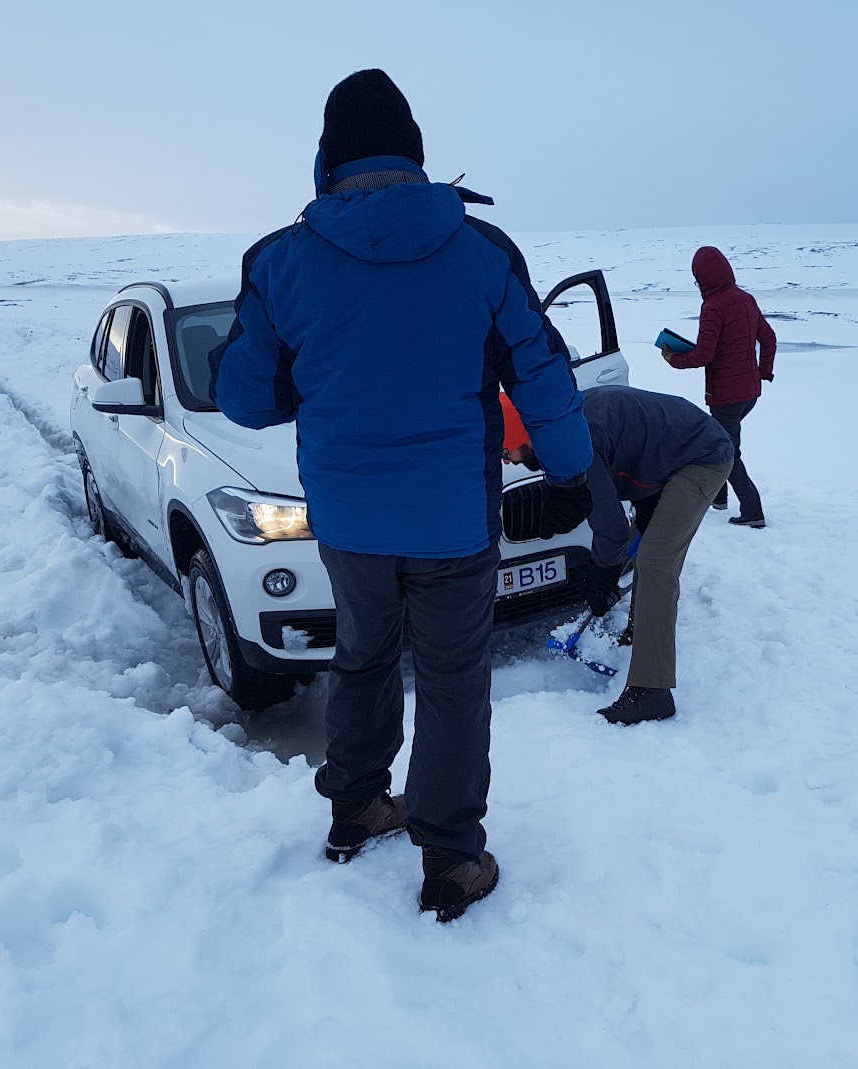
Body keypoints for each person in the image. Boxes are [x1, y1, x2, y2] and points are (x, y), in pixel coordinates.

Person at [211, 69, 594, 922]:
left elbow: (244, 397)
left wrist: (317, 381)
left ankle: (355, 805)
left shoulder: (279, 261)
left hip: (347, 516)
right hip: (453, 519)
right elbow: (540, 368)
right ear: (417, 160)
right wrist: (571, 464)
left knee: (364, 656)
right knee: (454, 678)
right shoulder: (483, 251)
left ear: (328, 161)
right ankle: (452, 858)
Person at [503, 385, 733, 724]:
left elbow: (609, 526)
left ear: (524, 436)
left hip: (700, 456)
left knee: (656, 562)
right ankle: (638, 636)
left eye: (507, 451)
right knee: (645, 551)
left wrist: (602, 574)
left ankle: (651, 691)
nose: (508, 460)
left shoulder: (576, 442)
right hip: (665, 456)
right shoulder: (557, 427)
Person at [660, 246, 777, 528]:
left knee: (727, 451)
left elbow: (704, 355)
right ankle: (720, 498)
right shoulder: (745, 299)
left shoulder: (713, 307)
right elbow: (769, 338)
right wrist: (764, 372)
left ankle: (753, 511)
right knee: (720, 442)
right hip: (750, 392)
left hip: (726, 396)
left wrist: (673, 358)